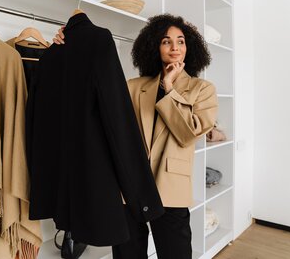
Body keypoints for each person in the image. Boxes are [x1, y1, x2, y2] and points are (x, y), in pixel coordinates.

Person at [53, 14, 218, 259]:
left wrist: (170, 88)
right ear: (154, 46)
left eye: (181, 41)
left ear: (189, 47)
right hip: (129, 187)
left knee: (176, 254)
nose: (175, 47)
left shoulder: (202, 89)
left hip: (170, 188)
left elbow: (188, 132)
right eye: (166, 41)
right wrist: (68, 48)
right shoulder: (133, 86)